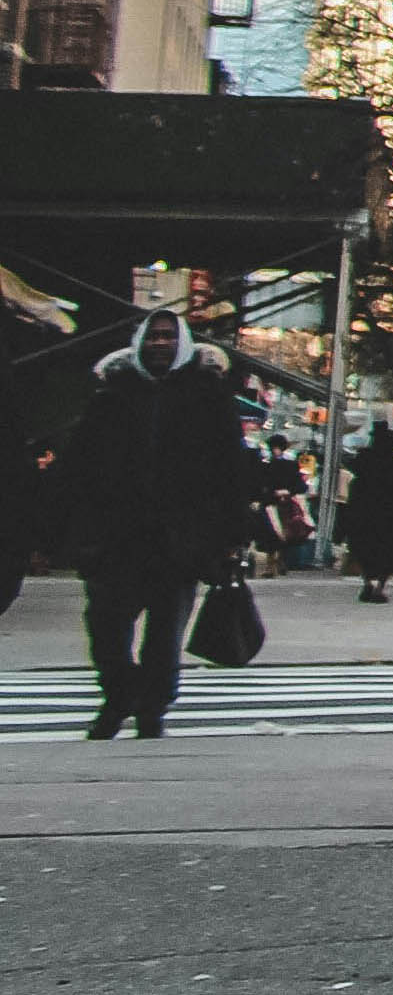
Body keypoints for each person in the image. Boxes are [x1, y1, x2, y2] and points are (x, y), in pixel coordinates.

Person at [59, 311, 267, 738]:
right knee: (106, 626)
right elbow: (77, 467)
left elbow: (231, 472)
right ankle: (120, 692)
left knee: (164, 634)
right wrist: (70, 527)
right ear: (139, 342)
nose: (159, 344)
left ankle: (151, 707)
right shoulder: (112, 394)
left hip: (181, 540)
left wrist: (232, 536)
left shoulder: (208, 397)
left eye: (167, 337)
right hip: (115, 537)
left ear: (182, 343)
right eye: (152, 336)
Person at [338, 419, 393, 602]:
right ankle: (379, 587)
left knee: (363, 548)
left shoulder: (364, 459)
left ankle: (367, 584)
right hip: (392, 515)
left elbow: (350, 465)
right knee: (389, 552)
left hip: (364, 512)